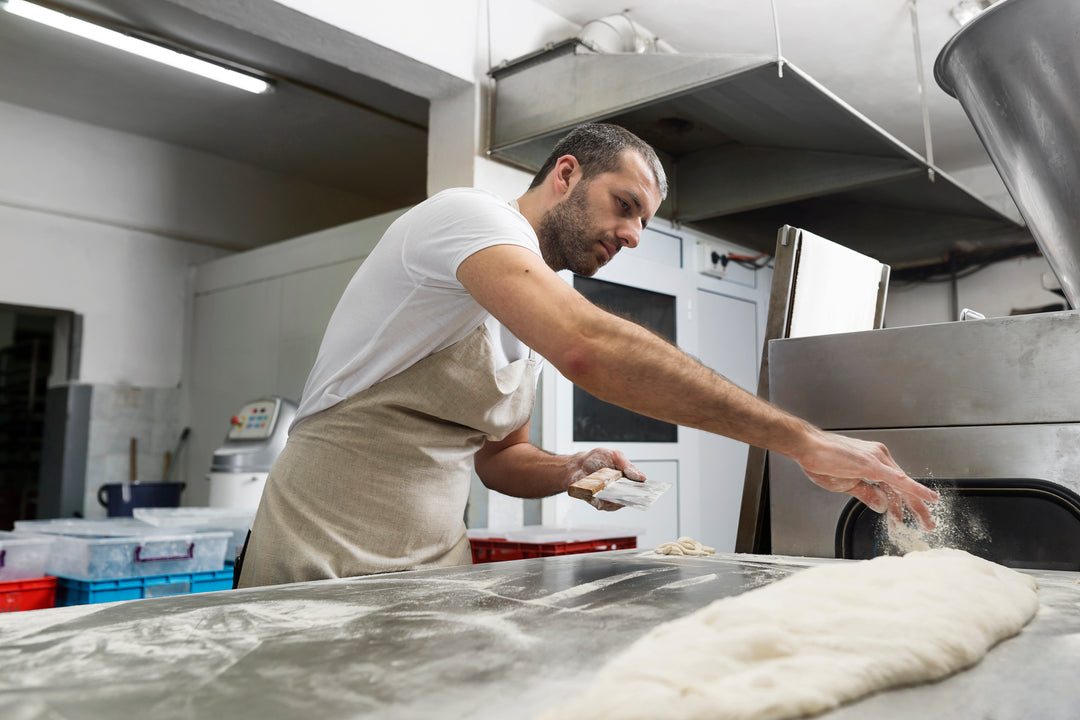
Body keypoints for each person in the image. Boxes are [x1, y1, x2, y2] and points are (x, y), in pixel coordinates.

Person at [236, 123, 937, 589]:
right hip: (321, 555)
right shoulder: (466, 219)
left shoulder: (528, 306)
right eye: (624, 205)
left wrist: (571, 470)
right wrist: (803, 441)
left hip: (430, 570)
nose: (632, 235)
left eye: (644, 222)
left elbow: (495, 456)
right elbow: (589, 347)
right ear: (566, 174)